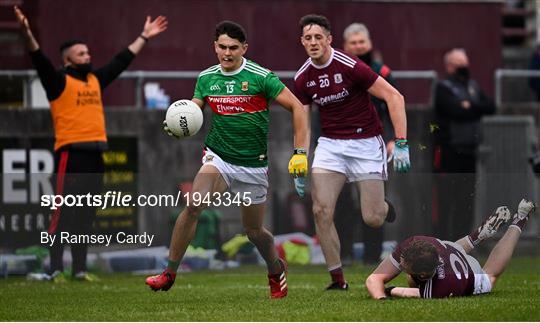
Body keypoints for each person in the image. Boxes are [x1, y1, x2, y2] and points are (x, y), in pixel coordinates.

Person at [145, 21, 310, 299]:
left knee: (254, 232)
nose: (227, 52)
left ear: (244, 48)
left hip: (253, 165)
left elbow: (298, 107)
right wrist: (178, 122)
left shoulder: (261, 76)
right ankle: (169, 272)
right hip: (218, 157)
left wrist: (300, 153)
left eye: (233, 47)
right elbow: (194, 110)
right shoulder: (206, 78)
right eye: (222, 47)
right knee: (194, 204)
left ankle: (275, 268)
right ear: (215, 47)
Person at [13, 6, 167, 281]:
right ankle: (55, 269)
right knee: (63, 213)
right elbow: (38, 58)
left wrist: (143, 36)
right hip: (71, 155)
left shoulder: (95, 80)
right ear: (68, 60)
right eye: (81, 53)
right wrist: (26, 33)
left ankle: (80, 270)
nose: (88, 56)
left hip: (96, 155)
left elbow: (121, 61)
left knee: (85, 215)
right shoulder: (58, 81)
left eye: (88, 52)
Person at [293, 14, 409, 290]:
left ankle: (384, 207)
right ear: (302, 42)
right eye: (308, 38)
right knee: (321, 210)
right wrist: (300, 154)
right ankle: (337, 279)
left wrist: (401, 141)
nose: (313, 42)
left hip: (366, 142)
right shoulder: (302, 77)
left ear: (329, 39)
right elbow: (302, 121)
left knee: (372, 218)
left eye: (318, 37)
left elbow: (394, 96)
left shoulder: (350, 65)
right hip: (330, 146)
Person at [365, 199, 535, 299]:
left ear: (423, 275)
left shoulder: (441, 288)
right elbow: (374, 280)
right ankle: (475, 237)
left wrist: (390, 291)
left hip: (470, 273)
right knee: (449, 247)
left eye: (403, 265)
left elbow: (409, 291)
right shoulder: (417, 242)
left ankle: (519, 219)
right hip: (449, 250)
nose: (400, 265)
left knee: (490, 276)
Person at [340, 22, 397, 265]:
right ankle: (345, 253)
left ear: (369, 43)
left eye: (361, 42)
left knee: (373, 203)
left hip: (373, 143)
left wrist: (394, 139)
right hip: (340, 143)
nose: (358, 46)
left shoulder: (382, 72)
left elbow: (393, 105)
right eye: (353, 43)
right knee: (341, 201)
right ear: (345, 46)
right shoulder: (336, 70)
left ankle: (373, 256)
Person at [433, 48, 495, 240]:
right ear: (450, 65)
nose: (464, 67)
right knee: (446, 199)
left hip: (470, 152)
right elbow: (455, 111)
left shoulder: (473, 86)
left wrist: (469, 105)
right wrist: (471, 107)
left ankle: (463, 243)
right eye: (460, 63)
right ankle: (443, 242)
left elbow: (490, 107)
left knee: (466, 200)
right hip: (449, 153)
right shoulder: (443, 88)